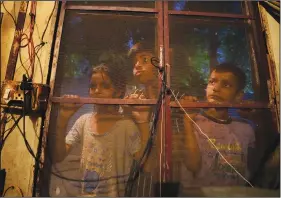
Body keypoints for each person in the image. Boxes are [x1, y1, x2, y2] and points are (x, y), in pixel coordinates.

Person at [52, 61, 142, 197]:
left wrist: (142, 120)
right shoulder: (84, 121)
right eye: (93, 86)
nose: (97, 91)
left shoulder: (126, 126)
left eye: (105, 86)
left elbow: (146, 164)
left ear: (118, 92)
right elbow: (58, 156)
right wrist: (63, 119)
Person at [179, 62, 256, 188]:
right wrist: (188, 120)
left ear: (238, 96)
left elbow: (255, 169)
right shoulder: (193, 122)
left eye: (226, 85)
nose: (216, 88)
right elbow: (192, 165)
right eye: (212, 82)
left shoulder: (245, 129)